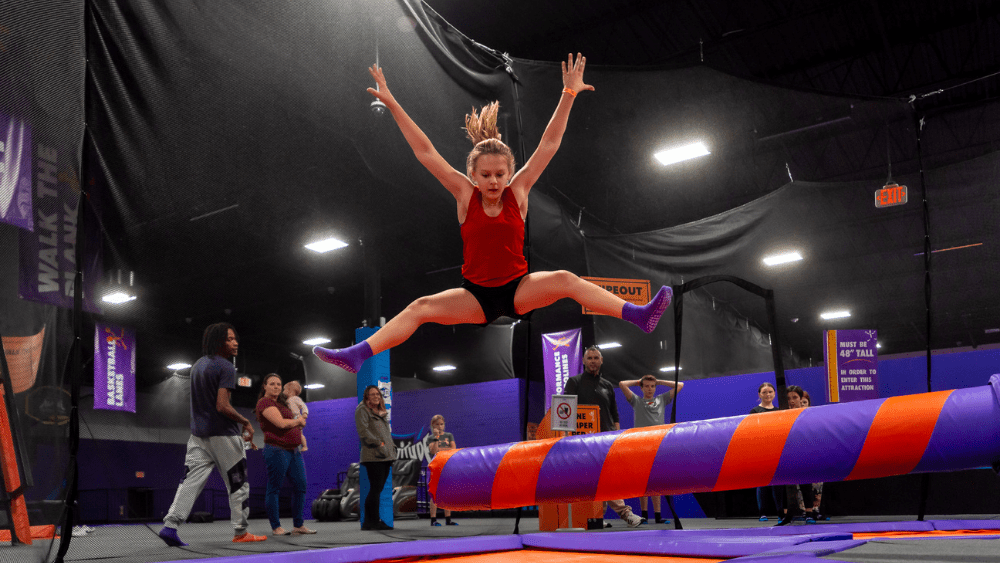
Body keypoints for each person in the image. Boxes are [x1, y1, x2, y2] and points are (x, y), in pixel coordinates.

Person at [314, 54, 673, 374]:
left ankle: (638, 315)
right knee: (420, 307)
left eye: (500, 174)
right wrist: (393, 104)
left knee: (566, 279)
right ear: (473, 175)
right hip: (475, 297)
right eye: (485, 175)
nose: (494, 181)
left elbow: (549, 144)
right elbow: (425, 152)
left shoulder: (518, 191)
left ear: (509, 171)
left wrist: (568, 95)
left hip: (519, 289)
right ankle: (359, 354)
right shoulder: (463, 194)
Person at [158, 323, 266, 546]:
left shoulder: (198, 365)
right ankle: (240, 532)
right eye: (229, 339)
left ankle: (170, 526)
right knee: (239, 484)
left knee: (190, 482)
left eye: (235, 338)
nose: (235, 343)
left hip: (198, 435)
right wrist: (246, 421)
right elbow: (222, 406)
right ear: (218, 342)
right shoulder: (225, 367)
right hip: (224, 435)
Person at [563, 346, 643, 528]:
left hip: (607, 438)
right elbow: (565, 411)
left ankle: (599, 517)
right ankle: (625, 514)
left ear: (601, 361)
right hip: (583, 442)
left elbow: (614, 413)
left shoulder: (607, 385)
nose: (592, 361)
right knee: (601, 479)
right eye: (589, 358)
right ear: (583, 361)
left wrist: (616, 435)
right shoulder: (574, 382)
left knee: (606, 478)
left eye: (596, 358)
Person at [617, 374, 684, 524]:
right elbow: (622, 383)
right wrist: (638, 381)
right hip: (640, 446)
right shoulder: (636, 401)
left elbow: (680, 385)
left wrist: (659, 381)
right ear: (641, 388)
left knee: (657, 480)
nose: (650, 389)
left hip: (658, 445)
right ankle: (645, 515)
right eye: (646, 386)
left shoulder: (661, 399)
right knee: (643, 481)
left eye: (652, 386)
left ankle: (658, 516)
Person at [255, 374, 314, 536]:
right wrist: (299, 421)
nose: (276, 387)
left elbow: (293, 417)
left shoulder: (283, 403)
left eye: (279, 384)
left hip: (294, 450)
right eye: (272, 384)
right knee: (274, 488)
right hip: (276, 449)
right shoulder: (264, 403)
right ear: (265, 386)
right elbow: (280, 424)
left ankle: (298, 525)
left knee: (301, 486)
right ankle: (276, 527)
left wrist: (300, 418)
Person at [355, 385, 396, 531]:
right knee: (375, 489)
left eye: (378, 394)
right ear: (366, 397)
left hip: (385, 455)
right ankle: (369, 522)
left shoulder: (380, 411)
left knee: (377, 490)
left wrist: (388, 447)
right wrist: (379, 443)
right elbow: (363, 432)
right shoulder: (362, 410)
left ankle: (375, 520)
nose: (376, 397)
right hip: (373, 456)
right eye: (372, 395)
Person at [750, 382, 783, 522]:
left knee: (778, 484)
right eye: (764, 392)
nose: (767, 394)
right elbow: (751, 431)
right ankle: (762, 513)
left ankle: (781, 513)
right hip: (761, 451)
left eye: (770, 391)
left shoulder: (780, 410)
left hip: (777, 451)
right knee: (762, 483)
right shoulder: (754, 411)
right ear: (759, 395)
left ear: (774, 393)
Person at [793, 390, 827, 523]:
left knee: (817, 484)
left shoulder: (815, 416)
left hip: (814, 453)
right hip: (800, 455)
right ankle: (804, 510)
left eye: (804, 402)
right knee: (801, 485)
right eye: (800, 402)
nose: (802, 405)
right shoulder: (793, 416)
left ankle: (816, 510)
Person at [427, 414, 458, 526]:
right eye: (437, 424)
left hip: (448, 465)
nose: (440, 426)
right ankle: (433, 519)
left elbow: (453, 449)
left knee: (447, 492)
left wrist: (442, 450)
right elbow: (434, 451)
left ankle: (448, 519)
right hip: (436, 466)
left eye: (441, 424)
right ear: (432, 426)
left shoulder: (449, 435)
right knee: (435, 493)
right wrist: (436, 437)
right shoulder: (431, 438)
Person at [283, 380, 309, 451]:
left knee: (299, 434)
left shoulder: (295, 398)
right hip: (291, 418)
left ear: (290, 391)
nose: (283, 391)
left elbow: (304, 406)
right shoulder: (288, 400)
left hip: (296, 417)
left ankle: (304, 446)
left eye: (285, 389)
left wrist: (304, 414)